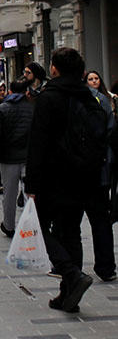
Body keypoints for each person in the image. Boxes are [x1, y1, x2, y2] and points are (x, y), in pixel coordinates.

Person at [25, 48, 111, 312]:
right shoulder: (89, 97)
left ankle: (71, 274)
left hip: (55, 176)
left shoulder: (49, 98)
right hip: (85, 175)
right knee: (70, 230)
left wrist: (32, 184)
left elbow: (38, 142)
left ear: (54, 69)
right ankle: (68, 295)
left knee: (40, 226)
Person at [0, 79, 34, 237]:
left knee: (9, 195)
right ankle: (30, 226)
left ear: (10, 91)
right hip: (29, 156)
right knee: (29, 193)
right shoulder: (33, 108)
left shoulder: (3, 108)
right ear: (26, 91)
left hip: (8, 157)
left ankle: (9, 225)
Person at [83, 70, 117, 282]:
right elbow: (111, 132)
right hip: (100, 169)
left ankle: (70, 270)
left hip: (75, 173)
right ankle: (106, 266)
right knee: (101, 221)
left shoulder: (68, 100)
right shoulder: (103, 101)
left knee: (68, 225)